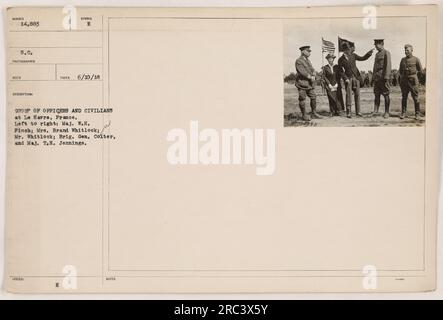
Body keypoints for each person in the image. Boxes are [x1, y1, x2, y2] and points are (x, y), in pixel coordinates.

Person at [337, 42, 373, 118]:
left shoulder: (353, 55)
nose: (349, 50)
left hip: (356, 78)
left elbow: (362, 58)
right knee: (349, 96)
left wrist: (369, 53)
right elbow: (340, 71)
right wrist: (345, 78)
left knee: (357, 95)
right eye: (347, 49)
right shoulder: (340, 59)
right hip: (348, 79)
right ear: (344, 50)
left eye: (349, 48)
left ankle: (358, 112)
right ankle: (348, 112)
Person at [295, 45, 320, 121]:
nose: (309, 52)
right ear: (303, 51)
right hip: (302, 83)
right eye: (307, 51)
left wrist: (314, 73)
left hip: (309, 84)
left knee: (313, 97)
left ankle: (314, 113)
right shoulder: (299, 61)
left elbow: (312, 69)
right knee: (302, 99)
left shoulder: (308, 60)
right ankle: (304, 115)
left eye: (309, 51)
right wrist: (310, 77)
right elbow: (302, 72)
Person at [399, 44, 423, 120]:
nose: (406, 52)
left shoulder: (416, 59)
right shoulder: (403, 60)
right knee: (404, 97)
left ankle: (417, 114)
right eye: (405, 50)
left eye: (408, 50)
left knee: (416, 98)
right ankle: (403, 113)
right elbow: (400, 71)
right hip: (404, 81)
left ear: (412, 50)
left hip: (413, 81)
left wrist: (416, 79)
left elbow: (420, 71)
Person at [371, 39, 392, 118]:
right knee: (376, 95)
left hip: (383, 78)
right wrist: (373, 77)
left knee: (386, 94)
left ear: (381, 44)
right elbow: (375, 67)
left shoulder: (386, 53)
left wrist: (386, 77)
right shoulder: (377, 54)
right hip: (377, 78)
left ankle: (387, 112)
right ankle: (375, 111)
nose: (375, 46)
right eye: (375, 45)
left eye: (377, 44)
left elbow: (388, 66)